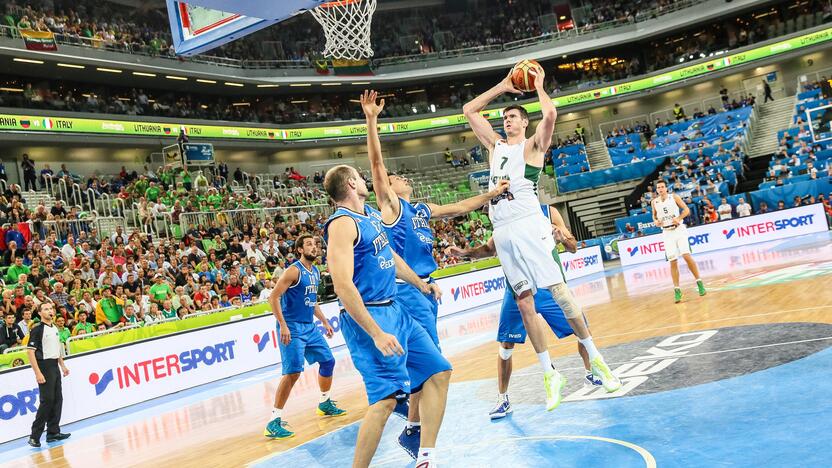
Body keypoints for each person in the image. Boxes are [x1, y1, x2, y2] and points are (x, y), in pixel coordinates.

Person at [360, 90, 509, 458]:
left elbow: (460, 206)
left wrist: (493, 194)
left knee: (428, 367)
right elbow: (377, 166)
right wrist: (371, 121)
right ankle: (410, 424)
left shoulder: (422, 209)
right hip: (407, 291)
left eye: (398, 177)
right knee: (431, 367)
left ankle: (411, 426)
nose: (397, 177)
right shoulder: (390, 207)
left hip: (426, 291)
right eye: (394, 178)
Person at [464, 64, 620, 410]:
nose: (507, 119)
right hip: (502, 230)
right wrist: (503, 85)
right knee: (523, 302)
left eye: (514, 116)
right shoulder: (495, 147)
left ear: (524, 123)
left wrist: (538, 85)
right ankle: (549, 372)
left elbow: (550, 112)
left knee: (560, 293)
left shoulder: (533, 147)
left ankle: (596, 358)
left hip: (528, 223)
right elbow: (469, 110)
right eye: (505, 116)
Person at [322, 164, 452, 468]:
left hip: (395, 308)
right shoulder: (341, 224)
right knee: (386, 399)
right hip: (369, 316)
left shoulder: (369, 214)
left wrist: (421, 284)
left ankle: (426, 458)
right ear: (352, 183)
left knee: (439, 371)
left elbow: (390, 258)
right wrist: (376, 333)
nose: (366, 179)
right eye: (360, 176)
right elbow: (341, 284)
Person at [264, 234, 345, 440]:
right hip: (291, 327)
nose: (314, 247)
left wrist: (324, 321)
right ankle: (273, 421)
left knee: (328, 361)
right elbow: (273, 297)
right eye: (309, 244)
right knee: (292, 373)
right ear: (300, 249)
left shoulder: (316, 271)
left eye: (316, 244)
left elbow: (311, 301)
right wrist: (283, 325)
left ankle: (325, 402)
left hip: (309, 326)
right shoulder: (293, 270)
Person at [651, 180, 706, 303]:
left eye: (662, 187)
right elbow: (654, 216)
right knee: (673, 262)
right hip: (666, 233)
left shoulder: (674, 197)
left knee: (686, 256)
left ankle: (699, 282)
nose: (660, 189)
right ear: (657, 190)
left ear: (666, 188)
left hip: (679, 230)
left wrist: (679, 218)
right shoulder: (654, 202)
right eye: (658, 187)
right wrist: (656, 221)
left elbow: (686, 210)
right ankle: (677, 290)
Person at [27, 303, 71, 448]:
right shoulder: (37, 330)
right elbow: (30, 352)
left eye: (51, 309)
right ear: (39, 313)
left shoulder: (55, 329)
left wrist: (62, 365)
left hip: (54, 365)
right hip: (44, 366)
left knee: (58, 399)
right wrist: (37, 372)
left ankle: (53, 432)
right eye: (46, 309)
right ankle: (34, 436)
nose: (50, 311)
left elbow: (56, 349)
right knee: (47, 401)